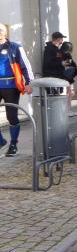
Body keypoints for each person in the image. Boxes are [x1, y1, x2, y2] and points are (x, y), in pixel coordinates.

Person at [0, 23, 33, 157]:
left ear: (6, 32)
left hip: (11, 86)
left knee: (11, 116)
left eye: (1, 30)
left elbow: (26, 65)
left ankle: (13, 144)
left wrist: (29, 82)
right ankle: (1, 141)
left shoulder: (14, 47)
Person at [61, 41, 77, 116]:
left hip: (64, 75)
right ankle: (68, 110)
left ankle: (66, 110)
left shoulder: (61, 54)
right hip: (68, 77)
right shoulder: (67, 54)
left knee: (68, 92)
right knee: (71, 92)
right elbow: (70, 64)